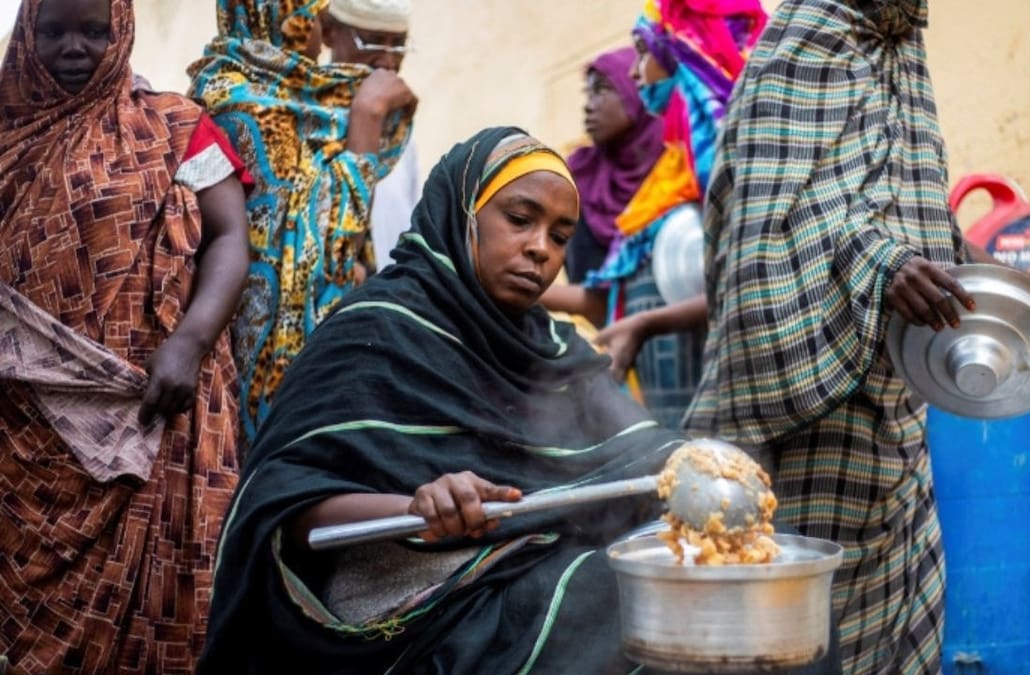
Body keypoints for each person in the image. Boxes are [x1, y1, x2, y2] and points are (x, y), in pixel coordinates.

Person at [685, 1, 1030, 673]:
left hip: (899, 434)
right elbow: (765, 230)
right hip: (811, 435)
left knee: (906, 641)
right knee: (796, 646)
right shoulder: (805, 41)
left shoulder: (902, 51)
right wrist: (877, 267)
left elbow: (916, 227)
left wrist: (1023, 295)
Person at [195, 128, 693, 674]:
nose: (540, 249)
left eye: (559, 236)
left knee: (708, 573)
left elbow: (641, 449)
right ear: (463, 215)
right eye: (520, 219)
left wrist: (705, 464)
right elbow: (287, 508)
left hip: (529, 565)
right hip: (415, 605)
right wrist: (416, 508)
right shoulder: (379, 328)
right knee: (627, 607)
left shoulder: (553, 347)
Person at [0, 0, 251, 671]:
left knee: (164, 600)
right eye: (53, 30)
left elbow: (230, 238)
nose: (74, 47)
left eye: (94, 30)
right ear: (26, 33)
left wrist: (189, 342)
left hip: (156, 402)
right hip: (23, 435)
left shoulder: (174, 127)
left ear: (123, 32)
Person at [189, 0, 416, 448]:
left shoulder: (301, 99)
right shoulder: (243, 104)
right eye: (314, 15)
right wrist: (367, 120)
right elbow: (327, 242)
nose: (321, 28)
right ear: (281, 16)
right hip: (254, 349)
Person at [542, 0, 767, 430]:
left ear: (681, 52)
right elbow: (617, 294)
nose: (633, 73)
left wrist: (646, 323)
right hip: (667, 408)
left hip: (726, 404)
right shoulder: (672, 175)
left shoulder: (727, 159)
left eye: (643, 53)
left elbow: (746, 279)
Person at [317, 0, 424, 270]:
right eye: (372, 42)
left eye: (398, 44)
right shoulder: (305, 121)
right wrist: (368, 115)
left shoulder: (399, 134)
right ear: (329, 32)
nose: (388, 61)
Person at [563, 46, 663, 288]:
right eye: (588, 93)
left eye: (602, 89)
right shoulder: (580, 177)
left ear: (635, 91)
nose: (588, 106)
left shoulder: (681, 166)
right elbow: (583, 281)